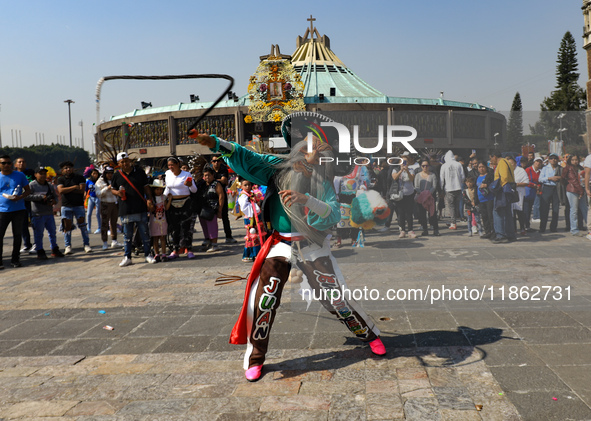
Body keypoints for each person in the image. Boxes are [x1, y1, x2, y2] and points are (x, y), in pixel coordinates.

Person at [192, 112, 385, 383]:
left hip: (311, 246)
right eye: (308, 145)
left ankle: (369, 335)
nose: (313, 151)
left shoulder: (322, 178)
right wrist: (215, 143)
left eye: (318, 147)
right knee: (265, 300)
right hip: (280, 244)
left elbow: (331, 214)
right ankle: (255, 358)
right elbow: (248, 158)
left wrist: (307, 199)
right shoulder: (275, 167)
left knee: (335, 298)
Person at [111, 152, 156, 266]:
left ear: (129, 161)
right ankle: (127, 257)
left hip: (140, 207)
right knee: (127, 235)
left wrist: (149, 200)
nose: (125, 163)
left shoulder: (139, 172)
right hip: (125, 208)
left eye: (126, 161)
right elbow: (112, 189)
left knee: (145, 233)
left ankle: (148, 254)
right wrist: (118, 193)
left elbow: (146, 187)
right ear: (119, 163)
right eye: (122, 162)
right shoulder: (116, 175)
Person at [163, 157, 198, 259]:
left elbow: (194, 190)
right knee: (175, 228)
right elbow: (167, 188)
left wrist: (190, 185)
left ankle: (188, 249)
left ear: (178, 164)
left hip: (185, 203)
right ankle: (175, 250)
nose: (170, 167)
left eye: (172, 165)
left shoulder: (186, 174)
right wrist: (162, 198)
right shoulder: (168, 174)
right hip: (172, 203)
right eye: (169, 165)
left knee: (186, 227)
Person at [26, 166, 64, 259]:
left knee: (52, 232)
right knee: (38, 234)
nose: (43, 175)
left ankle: (54, 249)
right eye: (40, 173)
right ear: (35, 175)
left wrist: (54, 201)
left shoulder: (49, 185)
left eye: (44, 173)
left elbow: (55, 196)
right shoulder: (32, 185)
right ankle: (40, 250)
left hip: (49, 213)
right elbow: (26, 196)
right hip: (37, 214)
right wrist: (40, 197)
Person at [0, 155, 31, 268]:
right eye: (3, 163)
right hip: (2, 210)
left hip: (18, 209)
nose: (6, 165)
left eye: (8, 163)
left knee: (17, 235)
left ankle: (15, 259)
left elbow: (28, 190)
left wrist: (20, 197)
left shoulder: (19, 175)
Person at [57, 161, 92, 254]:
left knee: (83, 226)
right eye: (66, 168)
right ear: (62, 170)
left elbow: (81, 190)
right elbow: (60, 190)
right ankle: (67, 246)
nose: (68, 169)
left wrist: (67, 189)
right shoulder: (60, 179)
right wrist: (74, 187)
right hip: (66, 206)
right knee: (67, 227)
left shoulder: (79, 177)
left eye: (70, 167)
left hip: (78, 205)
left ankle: (86, 244)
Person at [334, 164, 370, 246]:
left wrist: (362, 188)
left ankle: (354, 238)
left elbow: (362, 181)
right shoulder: (340, 168)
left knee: (354, 218)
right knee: (341, 219)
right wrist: (336, 194)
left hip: (355, 196)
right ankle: (339, 239)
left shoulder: (360, 169)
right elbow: (336, 182)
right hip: (343, 197)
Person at [489, 151, 516, 243]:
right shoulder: (506, 162)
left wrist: (496, 187)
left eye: (491, 158)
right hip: (507, 189)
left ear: (494, 156)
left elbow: (504, 178)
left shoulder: (502, 163)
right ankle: (510, 234)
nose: (491, 160)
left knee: (498, 212)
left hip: (502, 190)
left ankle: (501, 235)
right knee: (507, 213)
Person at [210, 155, 236, 244]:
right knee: (210, 218)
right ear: (211, 162)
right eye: (214, 161)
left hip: (222, 195)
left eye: (218, 161)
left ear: (221, 162)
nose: (216, 162)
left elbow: (224, 181)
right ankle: (210, 238)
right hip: (212, 195)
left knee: (225, 216)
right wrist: (218, 180)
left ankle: (229, 236)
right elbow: (207, 180)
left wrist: (212, 180)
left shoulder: (223, 169)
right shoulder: (210, 170)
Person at [198, 167, 224, 253]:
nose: (207, 177)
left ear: (213, 175)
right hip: (202, 209)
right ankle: (208, 241)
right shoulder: (202, 184)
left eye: (209, 175)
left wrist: (220, 210)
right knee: (204, 226)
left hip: (212, 209)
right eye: (205, 175)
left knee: (212, 226)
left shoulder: (216, 184)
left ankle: (214, 244)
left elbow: (221, 196)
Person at [96, 166, 122, 250]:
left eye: (111, 173)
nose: (110, 175)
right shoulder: (100, 181)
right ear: (105, 173)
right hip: (105, 203)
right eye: (108, 173)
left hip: (115, 203)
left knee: (114, 223)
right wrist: (107, 187)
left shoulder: (114, 179)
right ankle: (104, 242)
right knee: (104, 223)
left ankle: (114, 240)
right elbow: (99, 194)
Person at [562, 155, 588, 236]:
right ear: (570, 160)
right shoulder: (569, 168)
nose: (575, 161)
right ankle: (574, 229)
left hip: (582, 189)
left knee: (585, 209)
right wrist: (580, 191)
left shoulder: (580, 167)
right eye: (573, 160)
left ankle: (589, 226)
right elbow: (574, 180)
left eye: (576, 159)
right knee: (574, 210)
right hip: (573, 190)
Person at [237, 178, 262, 262]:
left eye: (249, 185)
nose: (247, 186)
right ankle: (251, 254)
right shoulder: (243, 196)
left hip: (254, 216)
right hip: (250, 218)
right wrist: (255, 205)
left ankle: (256, 253)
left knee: (256, 235)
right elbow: (244, 207)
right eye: (245, 185)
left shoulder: (250, 194)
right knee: (252, 236)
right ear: (241, 186)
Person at [439, 150, 465, 230]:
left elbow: (441, 179)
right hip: (458, 187)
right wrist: (460, 183)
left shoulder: (444, 166)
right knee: (456, 205)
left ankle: (453, 223)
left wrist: (441, 188)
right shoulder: (459, 164)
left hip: (449, 188)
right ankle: (453, 220)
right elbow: (463, 177)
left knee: (451, 206)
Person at [538, 153, 563, 233]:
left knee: (556, 209)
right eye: (551, 158)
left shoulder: (560, 168)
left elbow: (564, 178)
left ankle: (553, 227)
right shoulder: (545, 168)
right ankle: (542, 227)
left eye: (555, 158)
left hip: (556, 189)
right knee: (544, 208)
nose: (553, 160)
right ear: (549, 160)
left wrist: (559, 178)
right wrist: (550, 178)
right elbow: (540, 179)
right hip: (547, 188)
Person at [14, 157, 34, 253]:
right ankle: (27, 244)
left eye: (23, 161)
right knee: (23, 224)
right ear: (15, 165)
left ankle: (37, 244)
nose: (22, 163)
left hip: (32, 201)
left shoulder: (31, 172)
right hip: (20, 201)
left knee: (34, 222)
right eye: (19, 162)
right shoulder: (14, 174)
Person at [393, 156, 416, 238]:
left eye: (405, 161)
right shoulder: (395, 169)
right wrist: (401, 170)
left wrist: (407, 171)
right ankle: (402, 230)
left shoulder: (411, 170)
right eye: (402, 161)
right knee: (401, 213)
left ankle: (410, 230)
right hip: (399, 194)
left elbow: (412, 179)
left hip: (409, 193)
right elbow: (394, 177)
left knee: (409, 213)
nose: (404, 163)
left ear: (408, 163)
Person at [414, 159, 439, 236]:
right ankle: (425, 229)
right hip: (421, 197)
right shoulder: (418, 175)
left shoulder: (432, 175)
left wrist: (428, 193)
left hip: (430, 197)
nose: (425, 167)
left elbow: (434, 186)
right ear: (421, 166)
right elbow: (416, 186)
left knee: (432, 213)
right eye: (423, 166)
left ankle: (435, 229)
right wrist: (422, 193)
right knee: (422, 214)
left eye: (426, 165)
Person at [149, 179, 172, 261]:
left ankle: (164, 254)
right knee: (155, 237)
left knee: (163, 237)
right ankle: (156, 254)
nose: (159, 191)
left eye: (160, 189)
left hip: (163, 220)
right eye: (157, 189)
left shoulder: (163, 197)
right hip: (154, 220)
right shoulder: (151, 198)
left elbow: (166, 208)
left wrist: (169, 200)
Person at [509, 157, 529, 235]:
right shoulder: (507, 171)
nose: (511, 165)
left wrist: (516, 184)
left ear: (515, 163)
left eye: (512, 163)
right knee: (511, 212)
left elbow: (526, 182)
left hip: (519, 193)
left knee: (520, 212)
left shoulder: (521, 171)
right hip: (510, 193)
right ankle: (514, 228)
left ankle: (522, 228)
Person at [476, 161, 495, 239]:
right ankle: (487, 232)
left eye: (482, 167)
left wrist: (487, 185)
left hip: (489, 199)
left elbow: (493, 185)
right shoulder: (477, 177)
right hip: (481, 200)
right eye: (479, 167)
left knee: (490, 216)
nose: (481, 169)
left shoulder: (490, 176)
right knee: (484, 216)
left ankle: (493, 232)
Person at [524, 157, 543, 232]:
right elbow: (525, 180)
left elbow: (540, 182)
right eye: (537, 161)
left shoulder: (539, 172)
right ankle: (525, 225)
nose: (538, 163)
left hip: (533, 192)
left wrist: (538, 187)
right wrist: (533, 185)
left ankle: (527, 226)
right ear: (534, 162)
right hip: (527, 191)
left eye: (539, 162)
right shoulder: (528, 170)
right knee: (525, 209)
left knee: (529, 210)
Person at [85, 168, 101, 234]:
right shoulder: (88, 181)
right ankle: (89, 228)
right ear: (91, 174)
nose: (95, 175)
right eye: (93, 173)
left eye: (96, 173)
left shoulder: (100, 181)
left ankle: (99, 227)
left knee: (98, 213)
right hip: (91, 198)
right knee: (88, 213)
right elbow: (86, 189)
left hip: (98, 198)